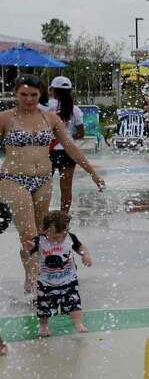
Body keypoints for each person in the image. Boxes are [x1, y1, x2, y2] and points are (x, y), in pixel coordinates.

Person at [0, 75, 103, 298]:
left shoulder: (50, 118)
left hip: (43, 179)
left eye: (33, 95)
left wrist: (92, 171)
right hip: (12, 178)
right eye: (23, 94)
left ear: (41, 94)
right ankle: (36, 282)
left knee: (40, 234)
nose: (28, 99)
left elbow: (70, 147)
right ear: (16, 93)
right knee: (28, 234)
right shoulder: (5, 118)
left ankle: (33, 273)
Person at [30, 210, 91, 337]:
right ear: (44, 230)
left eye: (62, 236)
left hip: (69, 280)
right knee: (44, 307)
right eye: (54, 237)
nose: (58, 239)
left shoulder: (70, 238)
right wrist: (28, 248)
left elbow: (81, 248)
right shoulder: (39, 241)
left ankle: (78, 324)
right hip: (46, 282)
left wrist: (86, 255)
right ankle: (43, 326)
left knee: (74, 303)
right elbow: (27, 251)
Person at [41, 76, 84, 214]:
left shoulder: (44, 106)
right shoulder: (75, 109)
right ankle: (64, 217)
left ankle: (42, 217)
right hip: (68, 152)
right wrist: (67, 138)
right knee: (66, 188)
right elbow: (81, 133)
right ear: (70, 91)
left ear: (52, 90)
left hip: (47, 151)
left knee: (44, 188)